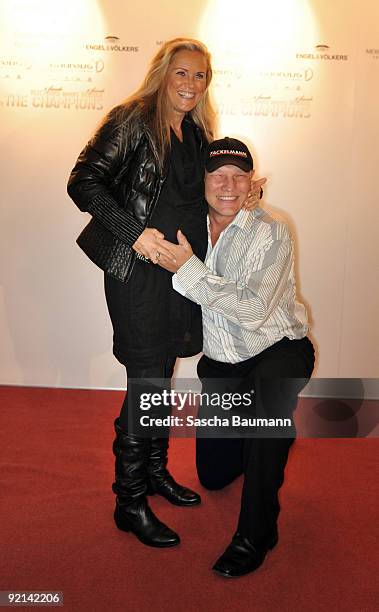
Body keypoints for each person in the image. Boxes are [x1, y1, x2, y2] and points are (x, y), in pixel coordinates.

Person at [67, 39, 264, 549]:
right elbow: (84, 182)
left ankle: (154, 472)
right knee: (145, 379)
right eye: (181, 74)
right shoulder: (133, 118)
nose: (190, 85)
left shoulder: (197, 132)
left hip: (182, 271)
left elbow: (201, 195)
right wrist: (134, 233)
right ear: (162, 73)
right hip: (137, 270)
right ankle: (128, 500)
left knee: (162, 374)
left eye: (200, 76)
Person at [157, 137, 315, 576]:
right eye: (217, 175)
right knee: (214, 474)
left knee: (268, 419)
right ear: (202, 182)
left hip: (276, 350)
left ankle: (256, 534)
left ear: (252, 182)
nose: (228, 185)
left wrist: (188, 270)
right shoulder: (189, 226)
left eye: (238, 176)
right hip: (224, 364)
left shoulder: (272, 227)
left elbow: (252, 309)